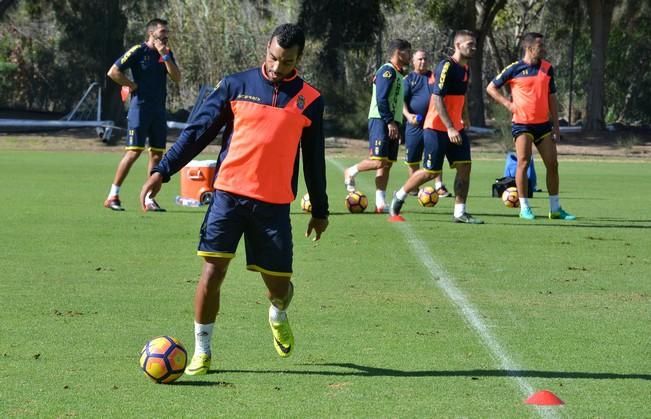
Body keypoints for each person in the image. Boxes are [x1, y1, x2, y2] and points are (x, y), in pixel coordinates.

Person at [139, 24, 329, 375]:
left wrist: (320, 209)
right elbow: (197, 132)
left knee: (279, 288)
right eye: (273, 57)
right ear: (266, 48)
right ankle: (202, 351)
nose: (276, 67)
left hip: (272, 207)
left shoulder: (310, 99)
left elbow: (314, 158)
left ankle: (277, 310)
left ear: (298, 59)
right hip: (227, 196)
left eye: (286, 62)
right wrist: (162, 171)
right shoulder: (235, 85)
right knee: (212, 272)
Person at [390, 30, 483, 224]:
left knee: (465, 167)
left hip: (456, 127)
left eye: (474, 44)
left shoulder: (466, 69)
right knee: (430, 172)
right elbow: (437, 98)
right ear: (457, 45)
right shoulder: (446, 66)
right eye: (469, 44)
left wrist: (463, 119)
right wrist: (449, 127)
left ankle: (459, 213)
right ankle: (400, 195)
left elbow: (462, 97)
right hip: (436, 128)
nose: (473, 47)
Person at [486, 32, 576, 220]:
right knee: (523, 163)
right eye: (540, 46)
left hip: (543, 126)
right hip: (522, 125)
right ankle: (525, 207)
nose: (544, 49)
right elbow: (491, 88)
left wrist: (556, 127)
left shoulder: (547, 68)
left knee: (553, 165)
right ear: (529, 48)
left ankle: (555, 208)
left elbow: (552, 98)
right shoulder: (514, 69)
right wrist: (508, 104)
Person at [104, 18, 181, 212]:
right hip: (140, 109)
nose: (166, 35)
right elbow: (113, 72)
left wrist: (165, 56)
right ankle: (113, 195)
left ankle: (149, 199)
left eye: (167, 31)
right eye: (163, 31)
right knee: (134, 152)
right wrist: (131, 85)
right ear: (152, 33)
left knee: (157, 155)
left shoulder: (166, 53)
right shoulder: (138, 51)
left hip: (158, 111)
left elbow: (177, 77)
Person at [343, 39, 411, 213]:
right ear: (398, 52)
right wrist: (389, 122)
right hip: (380, 120)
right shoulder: (387, 71)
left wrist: (396, 123)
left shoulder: (398, 73)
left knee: (386, 163)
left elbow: (395, 102)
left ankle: (380, 203)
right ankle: (350, 171)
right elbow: (381, 99)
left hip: (392, 122)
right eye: (408, 52)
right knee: (378, 160)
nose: (410, 56)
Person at [402, 49, 450, 198]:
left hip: (433, 124)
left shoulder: (435, 77)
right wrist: (408, 116)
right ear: (413, 62)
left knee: (435, 155)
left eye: (425, 59)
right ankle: (414, 187)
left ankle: (439, 186)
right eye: (420, 59)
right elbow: (401, 101)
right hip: (414, 126)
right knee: (413, 159)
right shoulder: (408, 79)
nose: (423, 62)